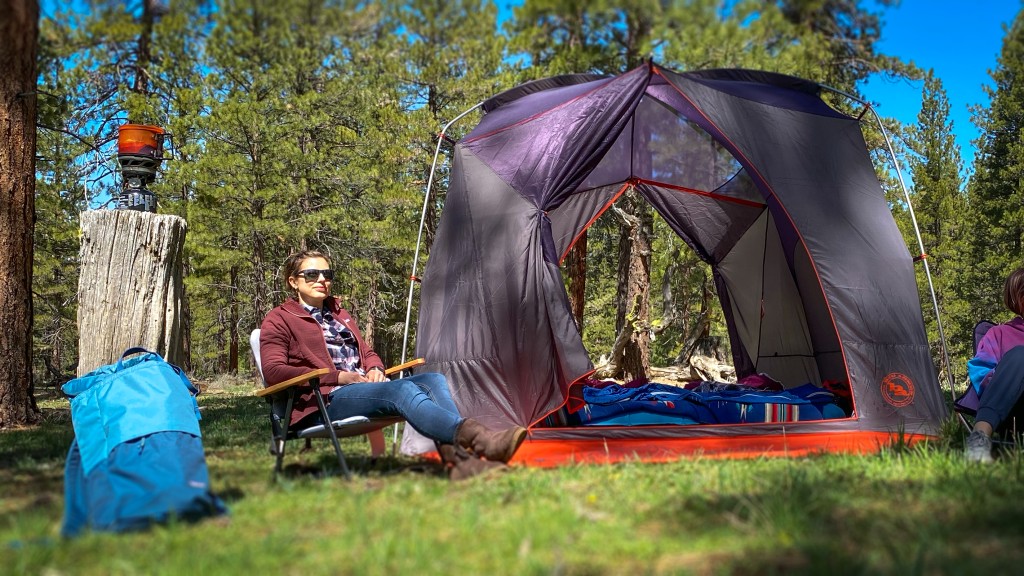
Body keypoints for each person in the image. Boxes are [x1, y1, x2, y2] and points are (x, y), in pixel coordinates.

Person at [260, 250, 526, 479]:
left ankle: (462, 464)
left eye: (327, 274)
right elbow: (273, 372)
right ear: (293, 281)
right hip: (324, 401)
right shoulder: (280, 319)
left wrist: (375, 367)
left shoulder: (338, 313)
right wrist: (337, 377)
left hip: (360, 389)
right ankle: (481, 441)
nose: (321, 280)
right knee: (402, 391)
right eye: (312, 274)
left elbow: (367, 352)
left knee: (433, 380)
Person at [965, 267, 1024, 463]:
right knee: (1020, 354)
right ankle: (979, 438)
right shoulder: (999, 334)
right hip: (1012, 409)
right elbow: (980, 374)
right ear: (1019, 300)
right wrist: (1004, 372)